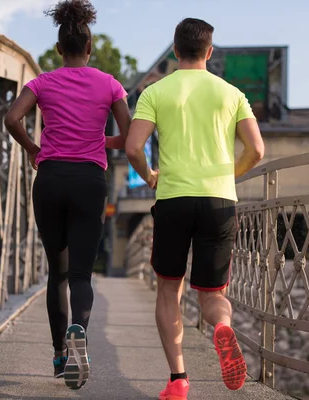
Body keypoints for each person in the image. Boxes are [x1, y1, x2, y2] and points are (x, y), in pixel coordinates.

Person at [125, 17, 265, 400]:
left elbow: (133, 147)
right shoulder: (232, 93)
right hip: (219, 201)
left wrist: (150, 176)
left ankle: (178, 381)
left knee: (169, 289)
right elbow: (256, 149)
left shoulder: (156, 92)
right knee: (212, 293)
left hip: (172, 199)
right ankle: (222, 328)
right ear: (209, 52)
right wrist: (228, 175)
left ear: (174, 51)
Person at [4, 0, 131, 391]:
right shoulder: (110, 84)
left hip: (51, 178)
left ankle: (60, 355)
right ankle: (81, 330)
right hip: (89, 181)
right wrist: (99, 139)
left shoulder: (41, 83)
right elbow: (129, 138)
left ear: (59, 50)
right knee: (81, 273)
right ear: (89, 48)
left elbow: (11, 119)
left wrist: (33, 148)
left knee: (56, 273)